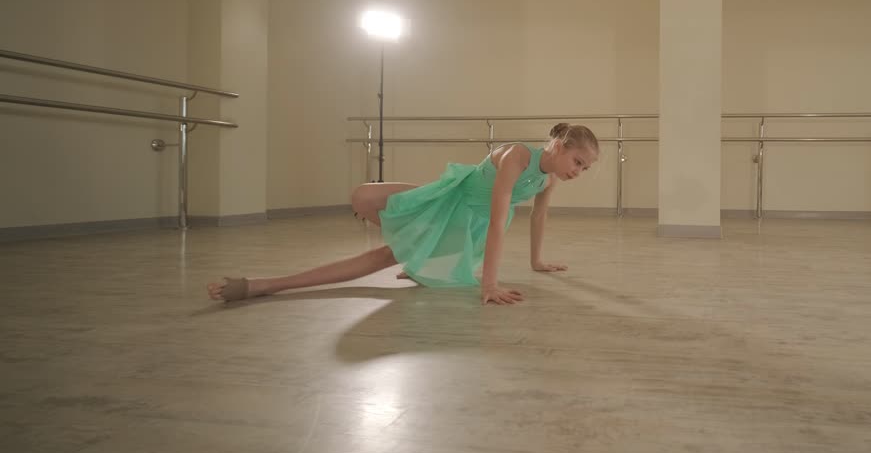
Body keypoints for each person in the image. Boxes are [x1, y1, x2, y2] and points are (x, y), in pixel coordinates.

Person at [207, 123, 599, 305]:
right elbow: (500, 221)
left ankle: (262, 285)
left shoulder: (547, 181)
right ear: (558, 144)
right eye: (577, 161)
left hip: (462, 223)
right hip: (446, 197)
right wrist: (488, 284)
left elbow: (536, 218)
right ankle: (418, 252)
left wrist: (537, 262)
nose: (577, 172)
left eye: (585, 169)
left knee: (379, 257)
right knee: (362, 197)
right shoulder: (519, 155)